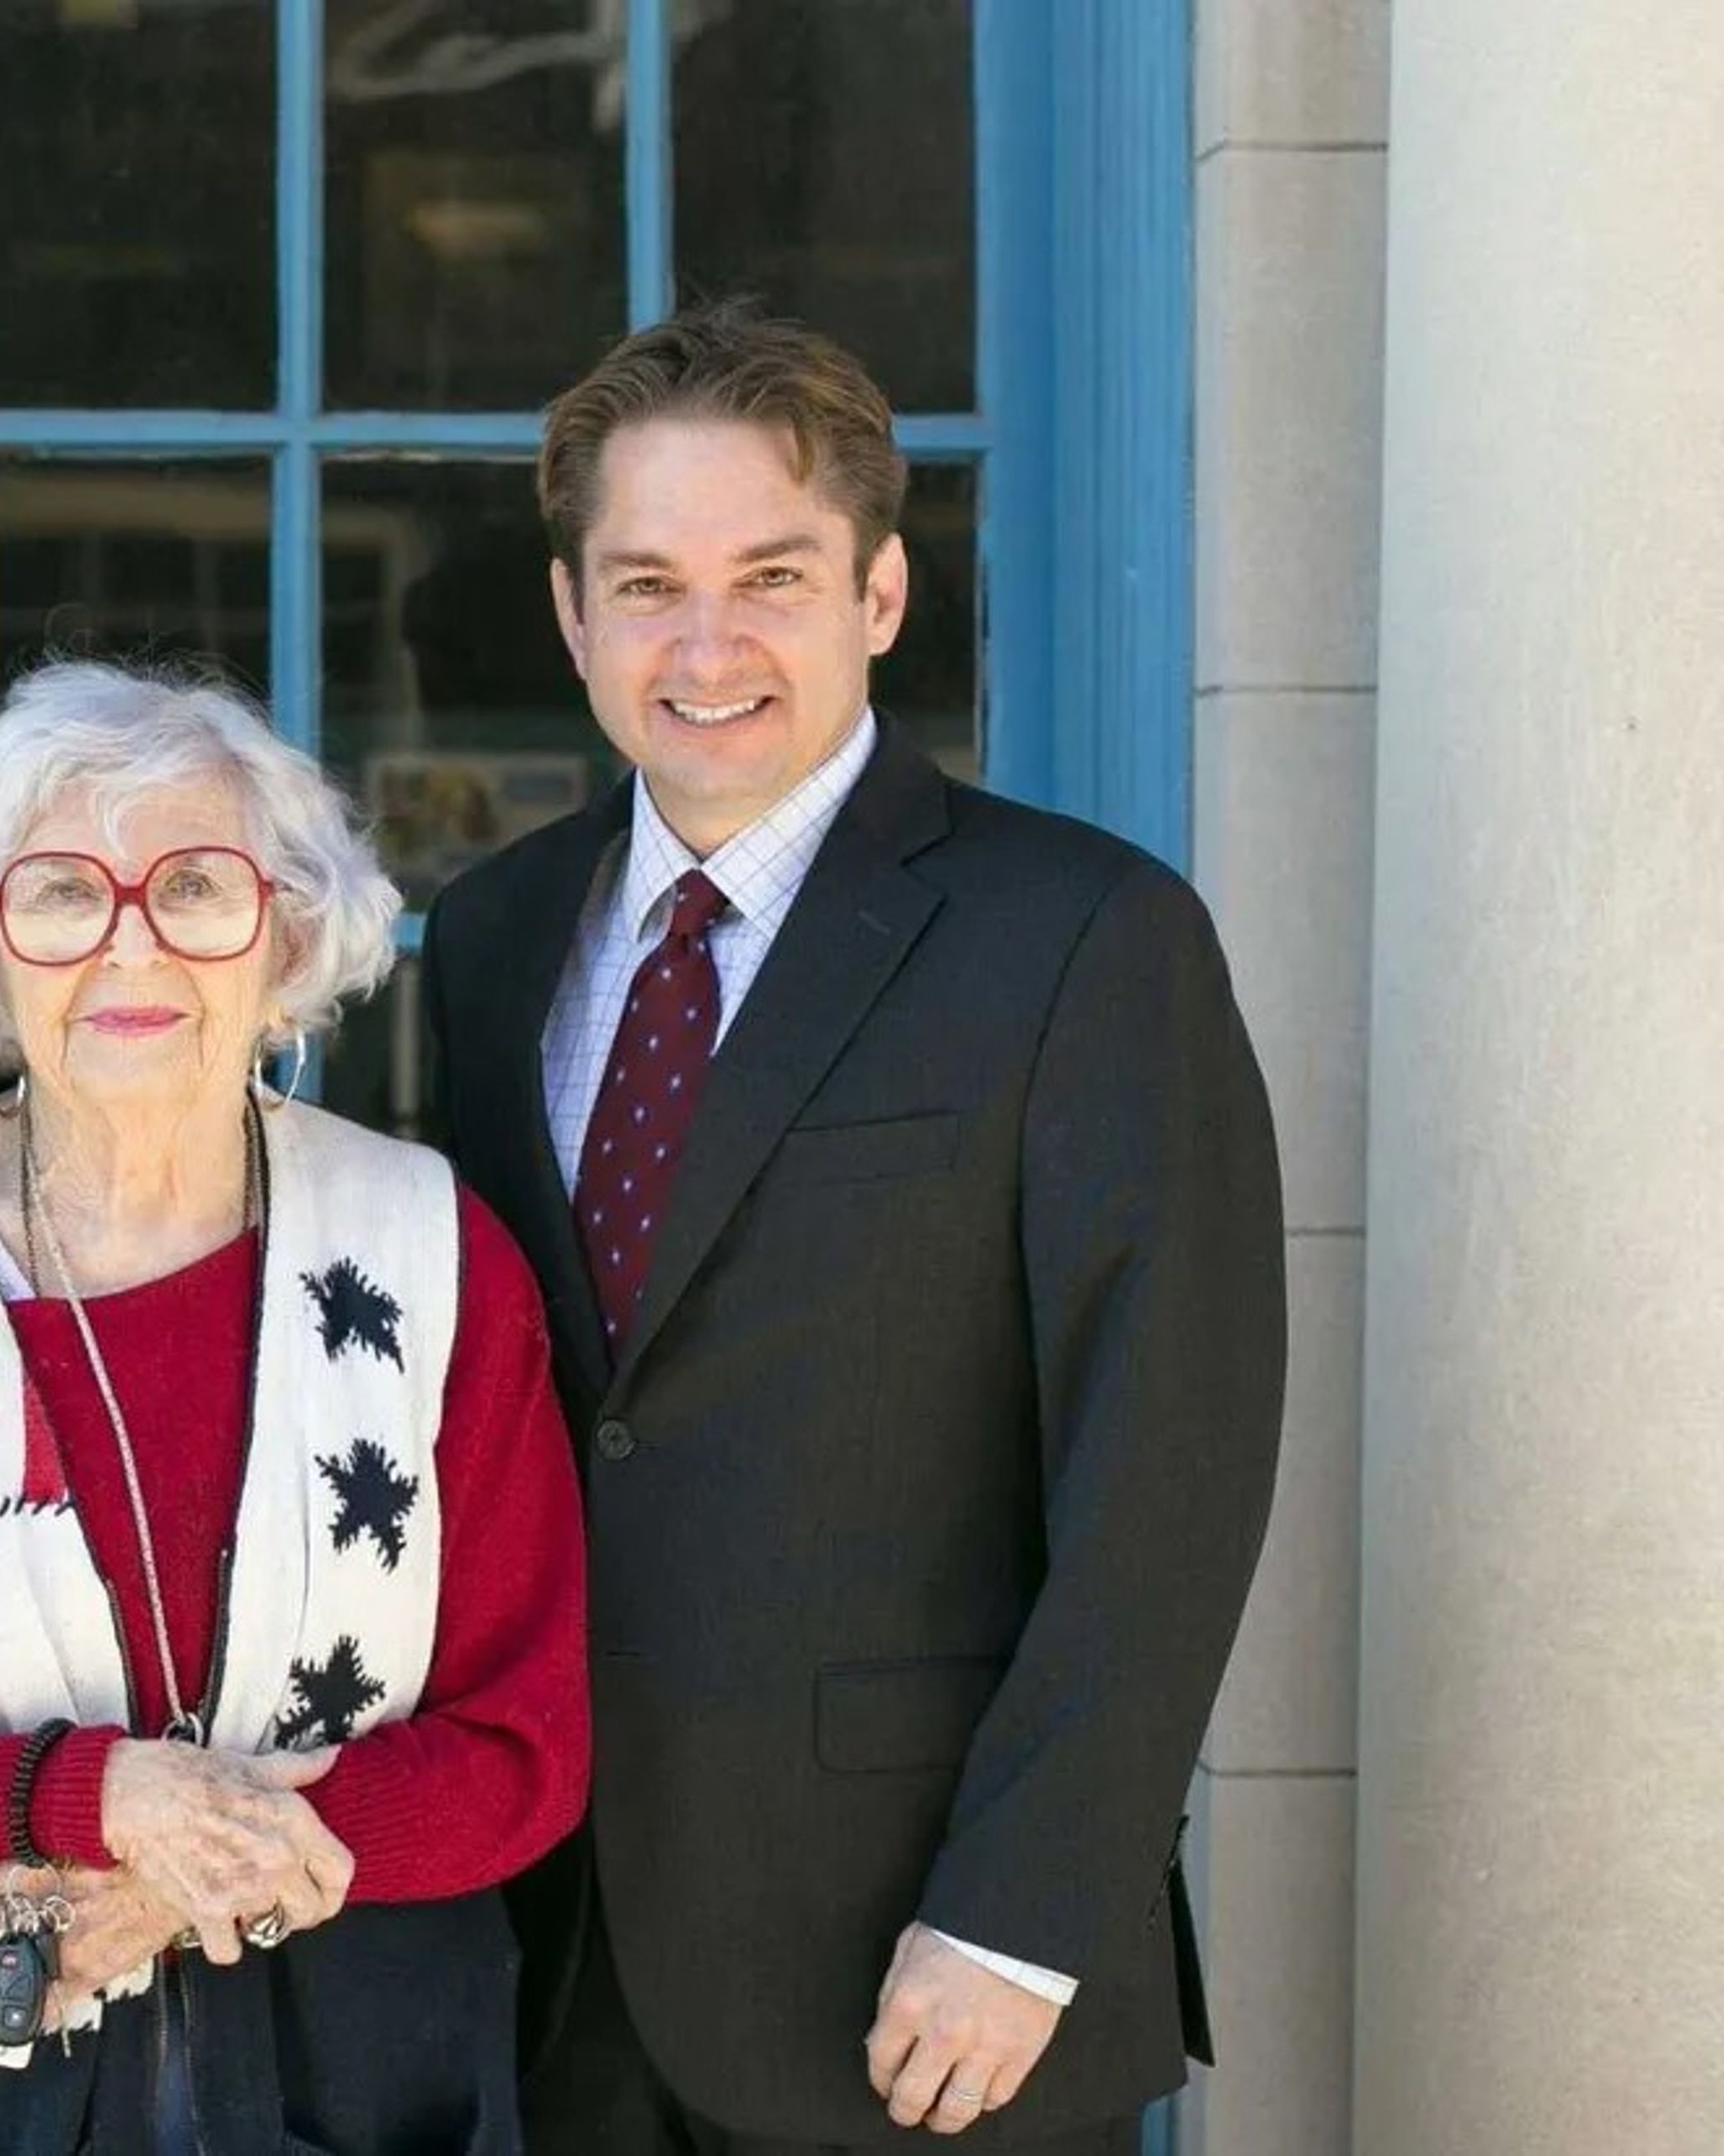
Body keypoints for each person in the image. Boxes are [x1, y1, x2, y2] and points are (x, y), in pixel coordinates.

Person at [422, 303, 1284, 2153]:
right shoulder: (489, 945)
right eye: (645, 582)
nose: (707, 642)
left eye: (774, 576)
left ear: (882, 595)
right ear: (572, 617)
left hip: (925, 1981)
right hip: (550, 1958)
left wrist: (1026, 1911)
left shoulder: (1083, 936)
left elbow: (1174, 1463)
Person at [0, 661, 592, 2151]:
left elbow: (525, 1742)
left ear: (286, 935)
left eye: (193, 888)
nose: (129, 948)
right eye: (60, 894)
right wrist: (103, 1796)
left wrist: (187, 1868)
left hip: (352, 2071)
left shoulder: (427, 1247)